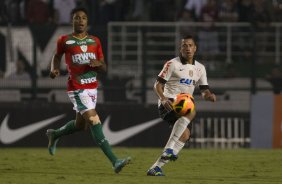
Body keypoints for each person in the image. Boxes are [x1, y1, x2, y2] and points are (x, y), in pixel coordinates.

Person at [46, 7, 131, 174]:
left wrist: (97, 65)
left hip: (92, 88)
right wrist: (54, 69)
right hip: (77, 88)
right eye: (77, 17)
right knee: (94, 121)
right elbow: (56, 57)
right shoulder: (64, 40)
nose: (80, 21)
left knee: (81, 125)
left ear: (87, 21)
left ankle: (55, 134)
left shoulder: (95, 41)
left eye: (83, 18)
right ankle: (115, 161)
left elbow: (104, 66)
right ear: (72, 20)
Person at [147, 35, 216, 176]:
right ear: (180, 48)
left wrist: (209, 95)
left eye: (190, 45)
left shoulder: (200, 68)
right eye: (184, 45)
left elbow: (204, 90)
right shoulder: (172, 64)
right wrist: (163, 98)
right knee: (192, 111)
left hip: (184, 104)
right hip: (168, 103)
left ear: (195, 48)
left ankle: (156, 168)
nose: (187, 48)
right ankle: (169, 149)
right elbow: (157, 85)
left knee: (185, 135)